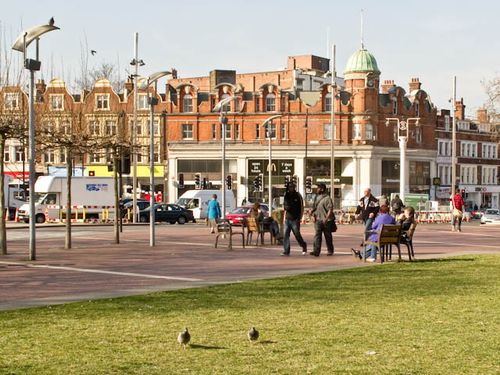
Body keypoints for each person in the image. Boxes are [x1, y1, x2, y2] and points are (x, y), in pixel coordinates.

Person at [309, 183, 335, 257]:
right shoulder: (316, 197)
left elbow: (330, 209)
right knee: (317, 236)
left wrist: (326, 219)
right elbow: (314, 208)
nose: (317, 189)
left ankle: (330, 250)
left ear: (322, 189)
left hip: (326, 221)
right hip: (318, 220)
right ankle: (316, 251)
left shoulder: (327, 198)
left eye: (318, 188)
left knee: (328, 236)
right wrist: (312, 215)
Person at [281, 183, 307, 256]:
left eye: (292, 187)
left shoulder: (298, 195)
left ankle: (303, 245)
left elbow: (301, 206)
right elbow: (284, 206)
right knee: (286, 235)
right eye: (289, 187)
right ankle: (286, 250)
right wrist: (286, 208)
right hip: (287, 218)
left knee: (297, 234)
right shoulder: (286, 195)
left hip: (295, 219)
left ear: (294, 187)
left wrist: (300, 217)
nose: (290, 188)